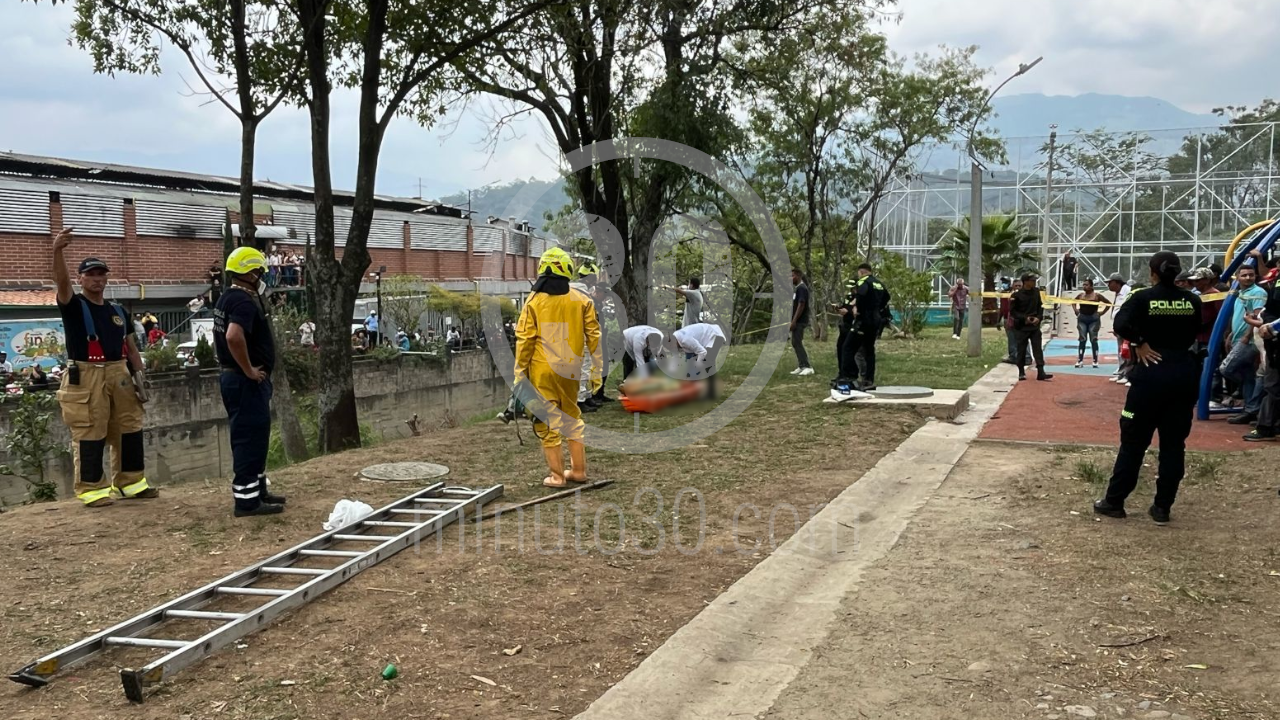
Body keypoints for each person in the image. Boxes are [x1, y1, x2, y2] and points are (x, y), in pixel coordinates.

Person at [51, 228, 157, 507]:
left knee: (129, 426)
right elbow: (61, 283)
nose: (97, 279)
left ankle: (131, 483)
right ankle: (92, 489)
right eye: (91, 275)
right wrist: (57, 251)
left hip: (119, 371)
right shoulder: (73, 305)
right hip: (87, 373)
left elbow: (131, 348)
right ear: (81, 279)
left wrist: (140, 377)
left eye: (101, 274)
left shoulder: (118, 311)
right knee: (90, 430)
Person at [1094, 251, 1201, 524]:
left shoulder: (1142, 297)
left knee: (1132, 442)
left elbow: (1119, 323)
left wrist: (1140, 341)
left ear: (1153, 272)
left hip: (1150, 377)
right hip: (1183, 375)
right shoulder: (1192, 300)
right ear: (1177, 273)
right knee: (1174, 445)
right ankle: (1162, 507)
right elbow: (1196, 330)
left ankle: (1114, 501)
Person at [513, 247, 601, 489]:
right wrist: (596, 369)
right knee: (572, 416)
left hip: (543, 370)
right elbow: (594, 336)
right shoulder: (582, 300)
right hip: (571, 370)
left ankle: (557, 475)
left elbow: (525, 340)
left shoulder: (533, 300)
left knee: (547, 420)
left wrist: (519, 373)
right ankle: (579, 471)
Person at [213, 247, 286, 518]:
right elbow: (233, 336)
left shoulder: (226, 298)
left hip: (236, 379)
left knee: (257, 438)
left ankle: (257, 490)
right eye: (260, 272)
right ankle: (246, 502)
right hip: (244, 382)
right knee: (248, 438)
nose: (262, 276)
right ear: (251, 273)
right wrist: (249, 370)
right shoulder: (243, 301)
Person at [841, 263, 888, 391]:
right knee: (869, 350)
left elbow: (861, 295)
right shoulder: (879, 283)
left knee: (848, 347)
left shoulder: (863, 282)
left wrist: (858, 309)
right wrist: (878, 308)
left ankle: (849, 376)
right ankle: (868, 379)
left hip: (863, 320)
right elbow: (887, 297)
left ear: (861, 272)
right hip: (875, 319)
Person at [1010, 273, 1053, 382]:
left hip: (1034, 327)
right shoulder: (1016, 295)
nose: (1034, 282)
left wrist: (1038, 318)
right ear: (1025, 282)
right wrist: (1025, 318)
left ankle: (1041, 372)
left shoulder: (1037, 292)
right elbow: (1013, 312)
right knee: (1021, 350)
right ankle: (1021, 372)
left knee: (1038, 349)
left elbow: (1040, 306)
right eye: (1032, 280)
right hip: (1022, 327)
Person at [673, 322, 728, 398]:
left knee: (708, 363)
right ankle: (694, 392)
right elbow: (689, 359)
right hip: (704, 339)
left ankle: (711, 393)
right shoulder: (676, 339)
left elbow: (702, 352)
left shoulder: (686, 340)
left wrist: (697, 367)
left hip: (714, 335)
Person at [1105, 273, 1133, 384]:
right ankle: (1121, 373)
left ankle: (1128, 375)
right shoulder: (1118, 293)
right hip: (1120, 327)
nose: (1108, 285)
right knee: (1121, 351)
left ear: (1117, 282)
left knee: (1128, 351)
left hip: (1127, 327)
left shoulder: (1127, 291)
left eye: (1110, 283)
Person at [1073, 278, 1106, 368]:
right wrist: (1076, 310)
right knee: (1082, 339)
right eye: (1083, 285)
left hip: (1094, 319)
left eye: (1086, 285)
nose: (1084, 286)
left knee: (1093, 339)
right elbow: (1073, 301)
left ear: (1091, 286)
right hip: (1082, 319)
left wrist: (1101, 313)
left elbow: (1108, 303)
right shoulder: (1081, 295)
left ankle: (1095, 360)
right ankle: (1080, 360)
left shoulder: (1097, 296)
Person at [789, 269, 813, 376]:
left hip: (800, 321)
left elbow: (801, 304)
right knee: (795, 342)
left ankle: (807, 366)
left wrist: (794, 321)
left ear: (798, 276)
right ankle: (801, 365)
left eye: (792, 276)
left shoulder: (802, 288)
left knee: (797, 342)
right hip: (796, 320)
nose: (790, 278)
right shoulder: (797, 289)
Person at [1000, 278, 1022, 365]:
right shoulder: (1006, 294)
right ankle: (1013, 356)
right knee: (1011, 338)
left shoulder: (1023, 295)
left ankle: (1026, 357)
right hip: (1009, 319)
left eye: (1019, 286)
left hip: (1020, 320)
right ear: (1012, 286)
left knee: (1022, 339)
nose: (1017, 287)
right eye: (1016, 285)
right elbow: (1003, 308)